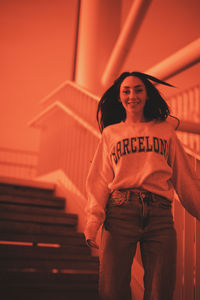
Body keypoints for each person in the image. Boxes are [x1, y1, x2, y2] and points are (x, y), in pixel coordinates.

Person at [84, 71, 200, 300]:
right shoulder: (111, 134)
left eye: (138, 89)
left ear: (147, 94)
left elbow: (184, 178)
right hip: (119, 212)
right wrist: (92, 221)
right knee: (112, 290)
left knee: (160, 291)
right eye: (126, 90)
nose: (132, 95)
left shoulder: (165, 130)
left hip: (160, 215)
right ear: (119, 98)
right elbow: (99, 178)